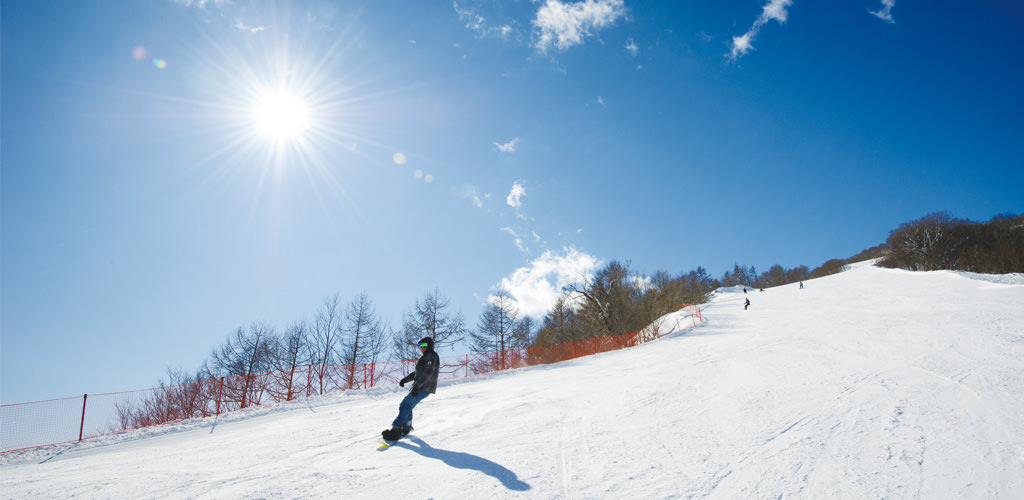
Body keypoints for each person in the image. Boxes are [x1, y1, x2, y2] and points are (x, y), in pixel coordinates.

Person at [382, 337, 440, 441]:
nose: (421, 348)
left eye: (424, 346)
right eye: (420, 346)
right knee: (408, 405)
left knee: (405, 404)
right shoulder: (425, 357)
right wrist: (406, 379)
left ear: (429, 346)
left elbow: (427, 374)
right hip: (421, 387)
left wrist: (417, 387)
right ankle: (406, 427)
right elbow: (418, 373)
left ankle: (396, 429)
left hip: (424, 387)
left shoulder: (431, 356)